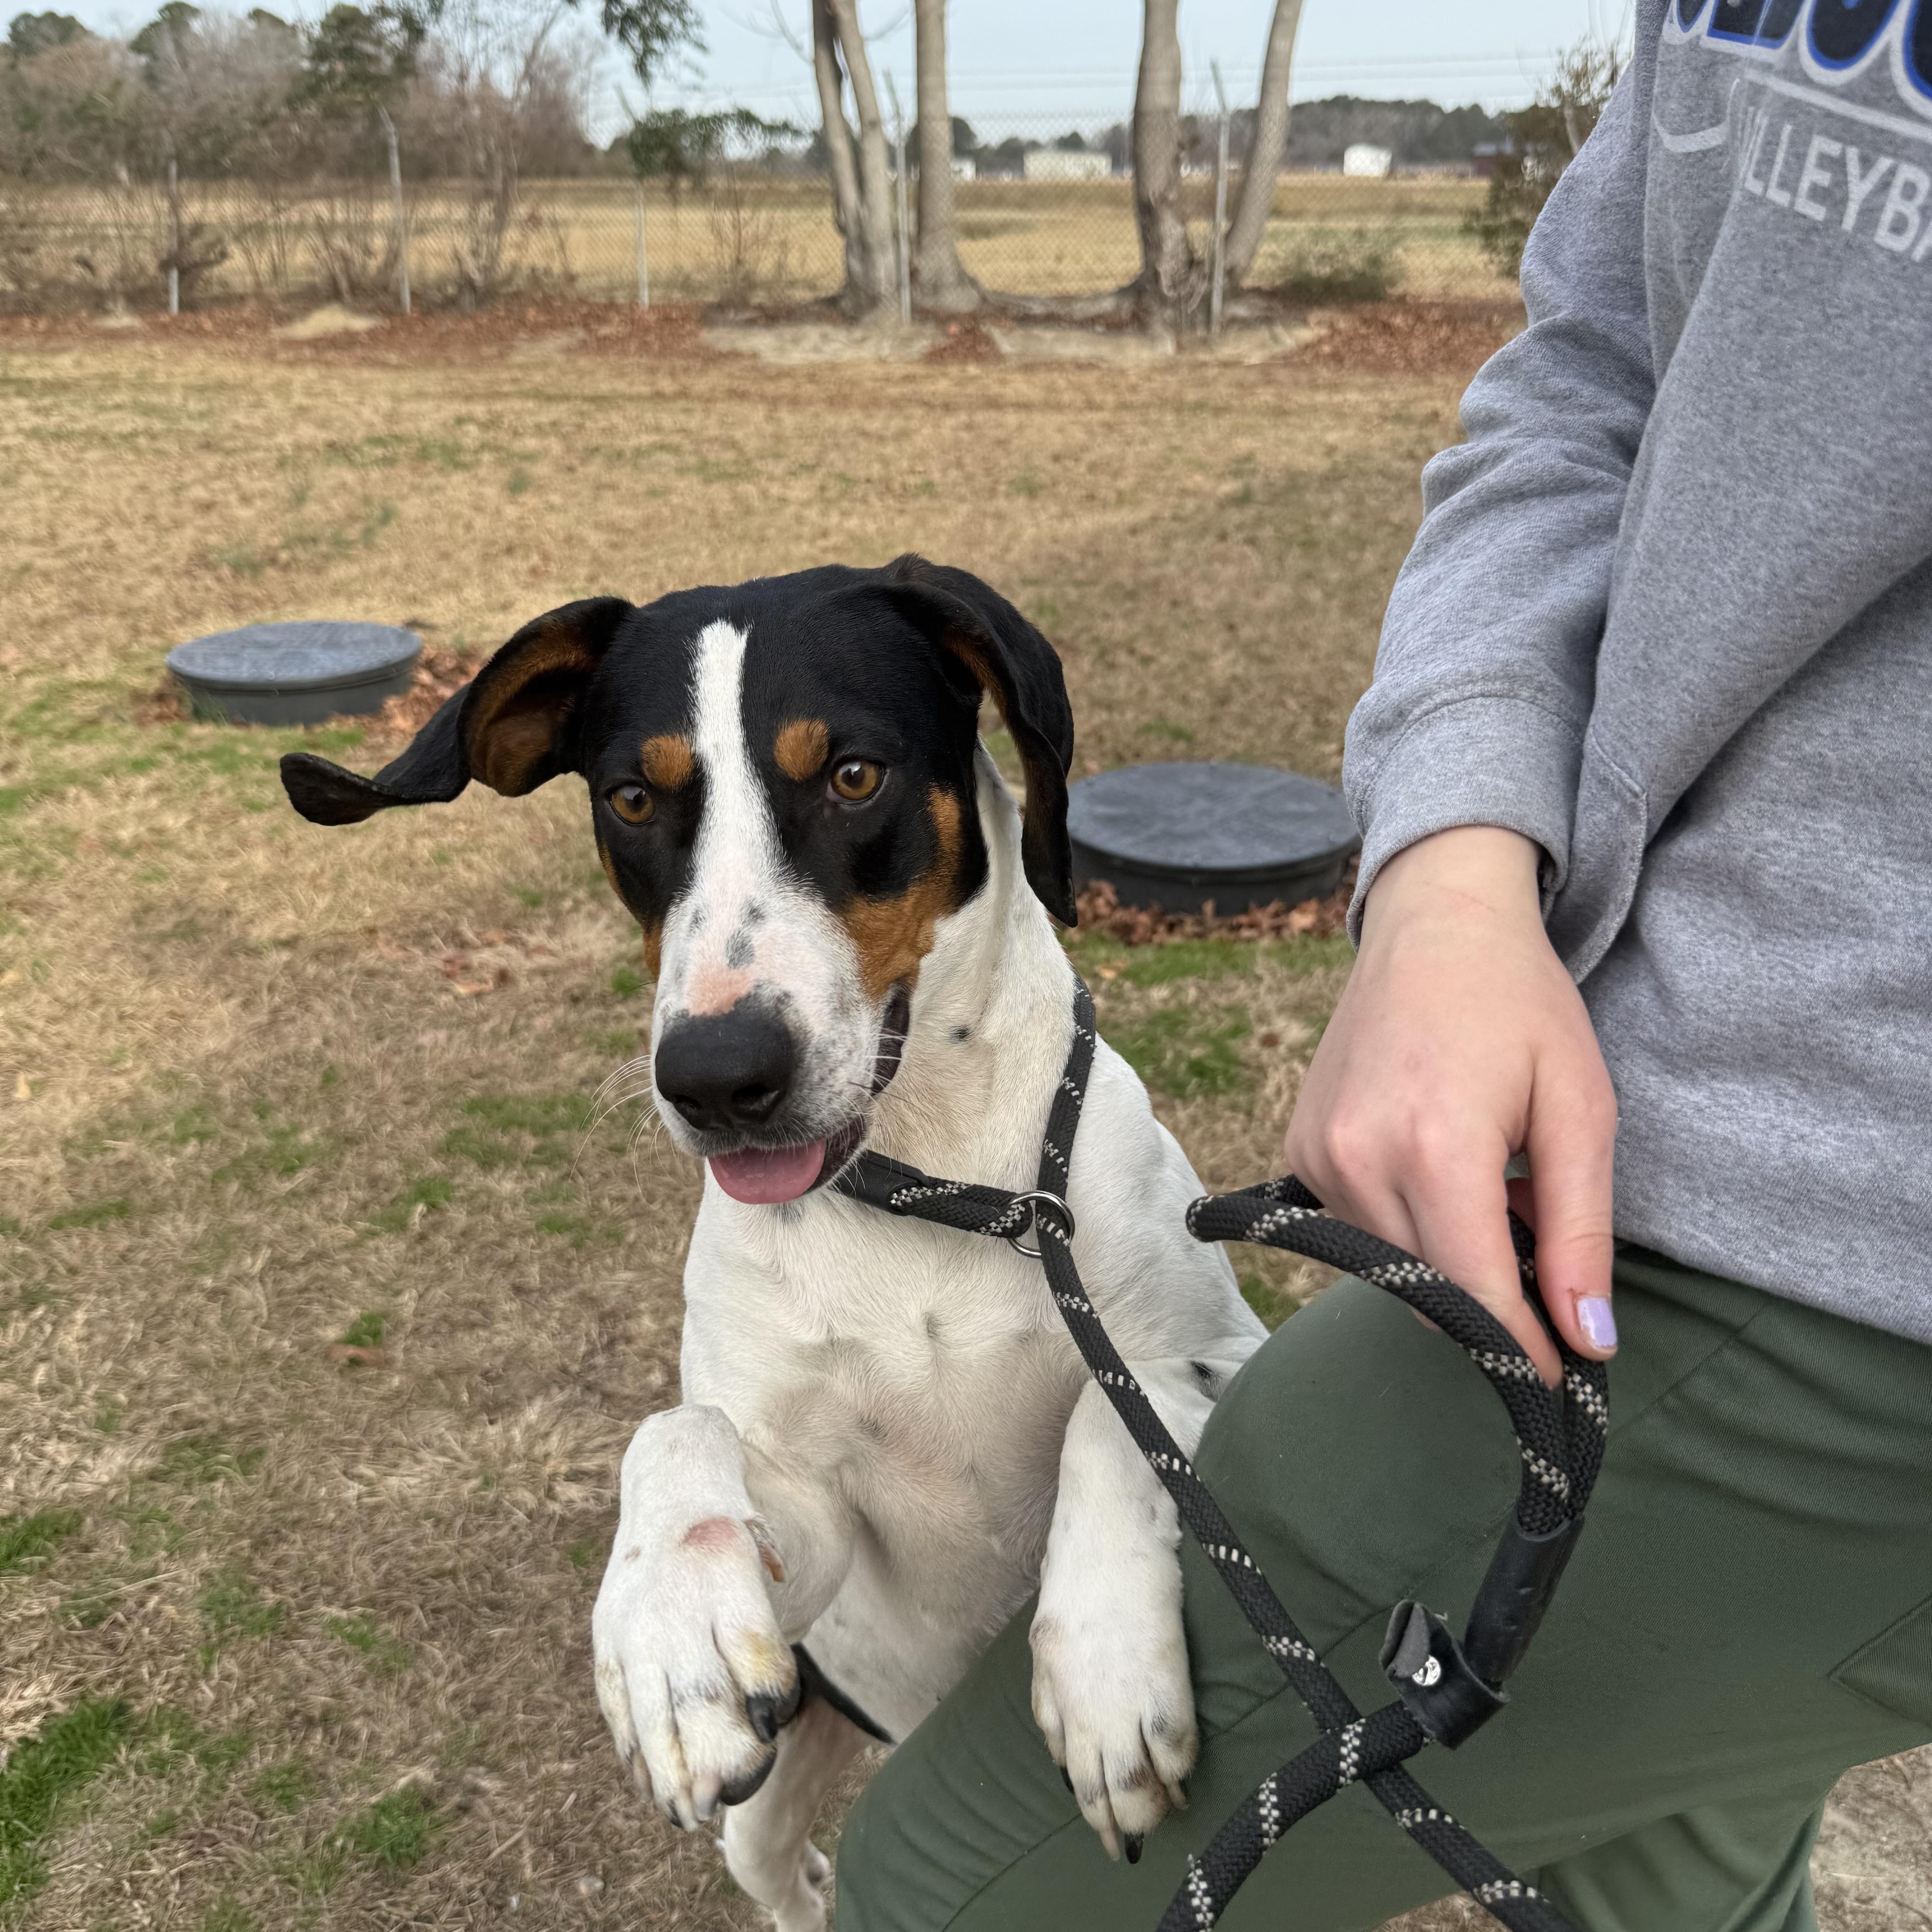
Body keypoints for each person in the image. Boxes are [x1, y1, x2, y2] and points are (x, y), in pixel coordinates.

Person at [836, 4, 1932, 1926]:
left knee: (946, 1890)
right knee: (1671, 1859)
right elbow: (1601, 360)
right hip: (1633, 1075)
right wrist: (1451, 876)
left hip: (1845, 1248)